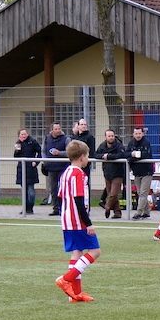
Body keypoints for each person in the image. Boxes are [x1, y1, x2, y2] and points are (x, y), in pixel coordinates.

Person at [54, 140, 99, 303]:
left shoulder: (65, 173)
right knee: (95, 251)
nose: (88, 159)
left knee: (77, 252)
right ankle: (66, 279)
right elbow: (79, 200)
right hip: (77, 220)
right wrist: (88, 223)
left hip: (66, 219)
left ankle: (75, 294)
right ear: (82, 157)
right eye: (87, 156)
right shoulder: (79, 174)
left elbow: (60, 197)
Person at [94, 129, 127, 219]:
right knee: (111, 194)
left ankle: (107, 207)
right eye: (109, 136)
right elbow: (95, 154)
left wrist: (109, 156)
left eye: (112, 136)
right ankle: (117, 212)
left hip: (118, 173)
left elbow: (121, 155)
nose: (111, 137)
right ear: (105, 137)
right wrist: (102, 156)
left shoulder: (119, 145)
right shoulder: (102, 146)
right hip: (107, 173)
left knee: (114, 194)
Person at [43, 123, 71, 216]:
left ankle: (64, 208)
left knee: (63, 188)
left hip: (63, 167)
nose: (58, 130)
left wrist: (59, 153)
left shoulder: (66, 139)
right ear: (51, 130)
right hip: (51, 167)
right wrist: (45, 161)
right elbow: (43, 151)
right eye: (56, 129)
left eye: (59, 128)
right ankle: (56, 208)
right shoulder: (47, 139)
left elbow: (69, 151)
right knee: (53, 188)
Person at [127, 126, 153, 219]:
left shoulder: (146, 142)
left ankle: (139, 212)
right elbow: (126, 154)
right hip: (137, 172)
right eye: (136, 133)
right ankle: (147, 211)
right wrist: (132, 155)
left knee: (143, 193)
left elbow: (146, 154)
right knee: (139, 192)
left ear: (143, 134)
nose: (138, 135)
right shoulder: (131, 143)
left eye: (139, 133)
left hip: (147, 172)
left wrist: (133, 157)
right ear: (133, 134)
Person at [14, 128, 42, 215]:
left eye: (25, 134)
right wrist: (17, 151)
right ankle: (25, 208)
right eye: (22, 134)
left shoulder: (32, 142)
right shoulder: (18, 143)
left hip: (31, 169)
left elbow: (40, 152)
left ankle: (30, 207)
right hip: (21, 169)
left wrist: (36, 162)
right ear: (19, 135)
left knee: (31, 191)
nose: (24, 135)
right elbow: (16, 157)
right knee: (24, 191)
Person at [72, 118, 96, 197]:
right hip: (75, 164)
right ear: (78, 126)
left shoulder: (90, 137)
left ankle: (86, 202)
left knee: (85, 184)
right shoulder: (74, 137)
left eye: (85, 124)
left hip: (84, 165)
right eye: (82, 124)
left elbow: (91, 152)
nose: (83, 126)